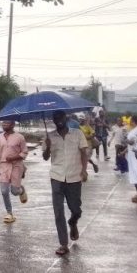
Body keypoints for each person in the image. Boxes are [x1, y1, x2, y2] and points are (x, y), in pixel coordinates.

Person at [43, 110, 88, 256]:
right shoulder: (49, 136)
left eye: (60, 117)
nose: (58, 120)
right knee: (58, 212)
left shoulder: (77, 134)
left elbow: (84, 152)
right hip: (56, 177)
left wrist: (85, 170)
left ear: (66, 118)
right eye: (55, 118)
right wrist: (48, 147)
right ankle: (63, 244)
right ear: (53, 120)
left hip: (74, 176)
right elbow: (45, 157)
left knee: (76, 209)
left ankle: (73, 222)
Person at [0, 120, 28, 223]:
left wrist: (14, 157)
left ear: (13, 125)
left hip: (16, 166)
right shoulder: (0, 136)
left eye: (7, 123)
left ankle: (21, 190)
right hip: (3, 166)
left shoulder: (19, 137)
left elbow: (24, 152)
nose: (4, 125)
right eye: (3, 123)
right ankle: (9, 213)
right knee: (4, 191)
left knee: (14, 192)